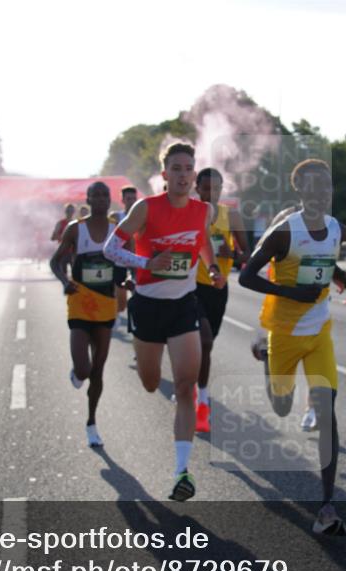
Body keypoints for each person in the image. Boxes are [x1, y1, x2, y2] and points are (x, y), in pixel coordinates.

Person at [238, 158, 346, 536]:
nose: (321, 194)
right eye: (312, 187)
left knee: (326, 412)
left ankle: (326, 506)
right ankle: (268, 358)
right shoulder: (283, 232)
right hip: (285, 334)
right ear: (300, 191)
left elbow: (326, 263)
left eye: (326, 187)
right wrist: (289, 291)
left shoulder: (336, 227)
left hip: (319, 331)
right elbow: (245, 276)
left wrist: (345, 281)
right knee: (282, 404)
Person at [103, 142, 225, 501]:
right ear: (164, 174)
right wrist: (146, 265)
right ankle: (153, 380)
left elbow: (201, 243)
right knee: (150, 381)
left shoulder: (204, 211)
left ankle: (182, 472)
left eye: (189, 168)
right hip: (148, 306)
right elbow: (112, 248)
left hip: (183, 304)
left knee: (185, 387)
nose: (184, 175)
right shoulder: (146, 208)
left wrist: (213, 267)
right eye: (176, 168)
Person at [50, 182, 125, 448]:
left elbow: (125, 262)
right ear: (89, 199)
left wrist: (127, 282)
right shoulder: (75, 229)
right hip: (80, 303)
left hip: (106, 304)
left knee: (98, 370)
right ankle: (77, 371)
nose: (102, 199)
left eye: (106, 195)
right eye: (96, 195)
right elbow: (55, 261)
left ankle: (92, 423)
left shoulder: (118, 230)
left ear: (110, 199)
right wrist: (64, 281)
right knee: (84, 369)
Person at [193, 167, 248, 433]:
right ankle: (202, 397)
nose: (210, 193)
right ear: (197, 188)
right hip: (190, 288)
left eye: (215, 188)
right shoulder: (188, 213)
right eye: (205, 188)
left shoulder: (231, 216)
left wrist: (232, 254)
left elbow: (247, 256)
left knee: (207, 345)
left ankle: (192, 383)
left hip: (218, 288)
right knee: (202, 341)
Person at [108, 186, 139, 328]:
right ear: (122, 200)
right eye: (128, 199)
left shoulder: (143, 216)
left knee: (137, 296)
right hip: (119, 262)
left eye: (134, 198)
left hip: (137, 262)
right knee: (121, 302)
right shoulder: (116, 217)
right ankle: (117, 314)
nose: (131, 201)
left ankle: (137, 323)